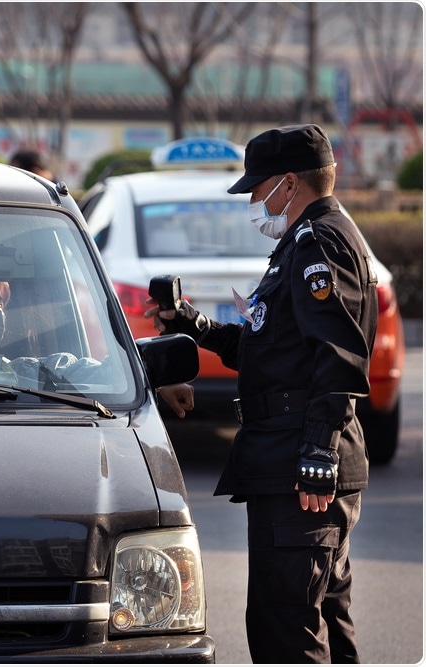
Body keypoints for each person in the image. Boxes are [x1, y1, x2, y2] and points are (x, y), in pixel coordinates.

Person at [147, 124, 377, 663]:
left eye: (257, 188)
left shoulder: (318, 243)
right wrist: (195, 325)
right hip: (289, 456)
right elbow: (271, 348)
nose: (253, 201)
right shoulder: (303, 243)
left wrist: (317, 452)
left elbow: (338, 355)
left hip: (299, 465)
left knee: (286, 633)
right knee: (320, 621)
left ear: (289, 184)